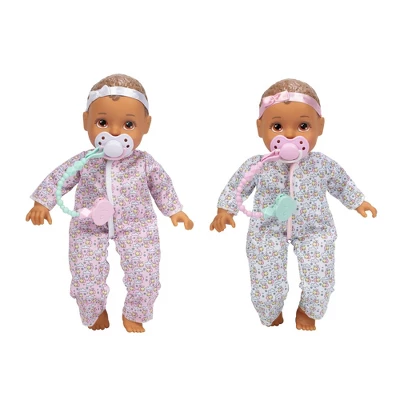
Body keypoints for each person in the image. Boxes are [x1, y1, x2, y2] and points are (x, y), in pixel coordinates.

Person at [26, 73, 193, 333]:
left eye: (128, 124)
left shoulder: (144, 163)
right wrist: (42, 203)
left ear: (146, 125)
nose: (115, 132)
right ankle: (93, 310)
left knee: (145, 275)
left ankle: (136, 313)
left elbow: (162, 185)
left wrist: (175, 211)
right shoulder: (85, 160)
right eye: (102, 122)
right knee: (86, 277)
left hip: (138, 227)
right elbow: (60, 178)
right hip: (88, 225)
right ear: (86, 121)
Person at [210, 78, 377, 330]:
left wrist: (358, 202)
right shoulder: (258, 165)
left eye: (303, 126)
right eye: (277, 126)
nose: (289, 135)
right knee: (265, 282)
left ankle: (309, 310)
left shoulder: (321, 164)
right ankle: (270, 310)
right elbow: (237, 187)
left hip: (315, 230)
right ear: (260, 128)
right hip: (267, 229)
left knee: (320, 277)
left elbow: (342, 183)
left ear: (320, 126)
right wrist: (225, 210)